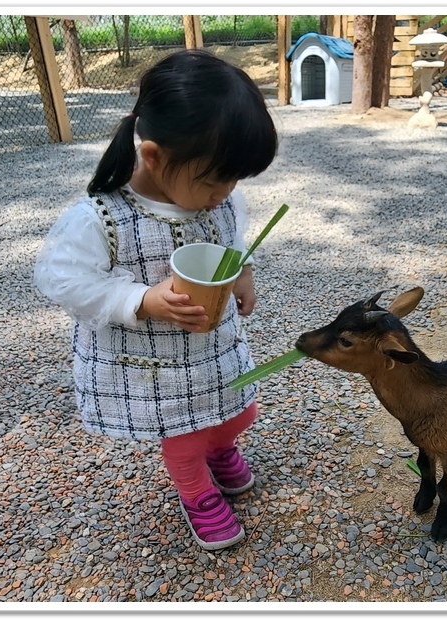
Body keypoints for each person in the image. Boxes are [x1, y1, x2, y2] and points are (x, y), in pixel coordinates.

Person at [33, 49, 278, 550]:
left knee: (238, 411)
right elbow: (63, 280)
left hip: (213, 346)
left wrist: (243, 270)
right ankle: (196, 493)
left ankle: (221, 447)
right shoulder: (101, 217)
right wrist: (141, 298)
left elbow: (233, 235)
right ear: (153, 157)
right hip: (154, 363)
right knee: (183, 433)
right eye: (215, 179)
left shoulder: (219, 199)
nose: (226, 193)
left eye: (234, 180)